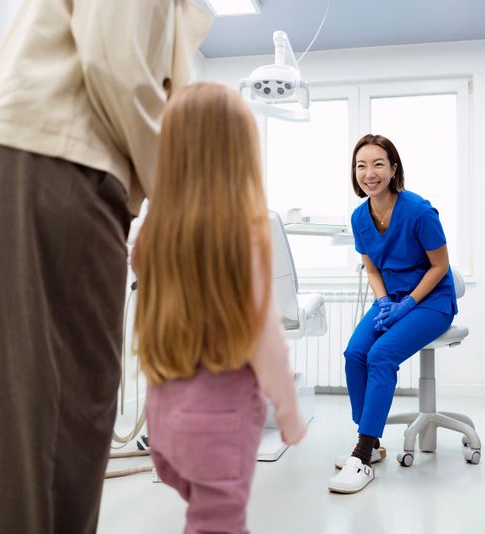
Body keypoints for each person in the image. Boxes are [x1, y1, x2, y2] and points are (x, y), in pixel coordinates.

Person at [0, 1, 213, 532]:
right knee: (58, 444)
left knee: (0, 462)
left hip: (25, 157)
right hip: (63, 165)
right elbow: (118, 62)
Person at [132, 82, 307, 534]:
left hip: (163, 421)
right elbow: (266, 339)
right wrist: (288, 413)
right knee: (218, 523)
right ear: (240, 155)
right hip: (220, 422)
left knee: (201, 514)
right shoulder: (244, 234)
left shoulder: (154, 232)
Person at [328, 134, 458, 494]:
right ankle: (370, 442)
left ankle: (362, 453)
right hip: (393, 298)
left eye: (378, 164)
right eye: (361, 166)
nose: (369, 173)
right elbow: (372, 269)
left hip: (430, 300)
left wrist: (407, 305)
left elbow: (439, 266)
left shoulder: (418, 210)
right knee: (355, 354)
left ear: (393, 168)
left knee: (381, 355)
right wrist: (384, 302)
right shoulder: (359, 217)